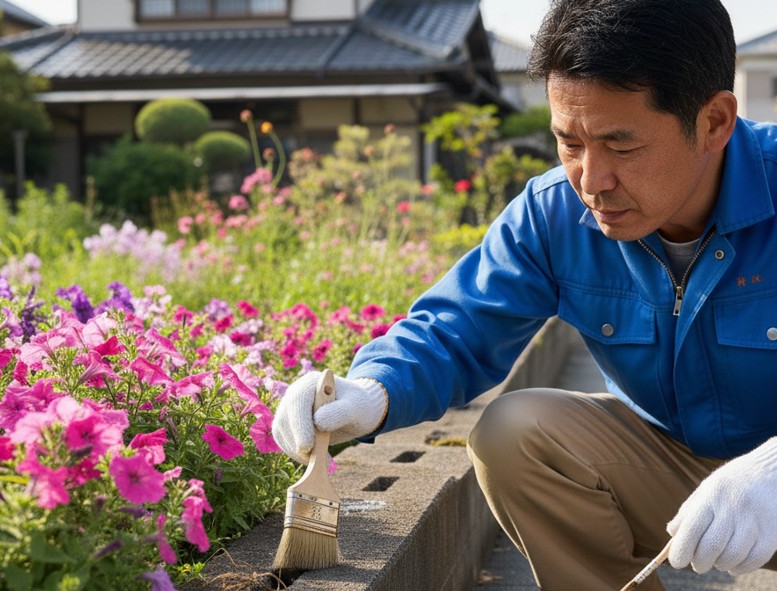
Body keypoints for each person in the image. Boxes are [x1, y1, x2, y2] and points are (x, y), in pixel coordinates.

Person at [273, 0, 777, 588]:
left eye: (621, 146)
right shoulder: (554, 214)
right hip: (679, 479)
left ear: (714, 122)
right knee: (514, 433)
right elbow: (456, 328)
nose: (592, 181)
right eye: (569, 143)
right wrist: (371, 391)